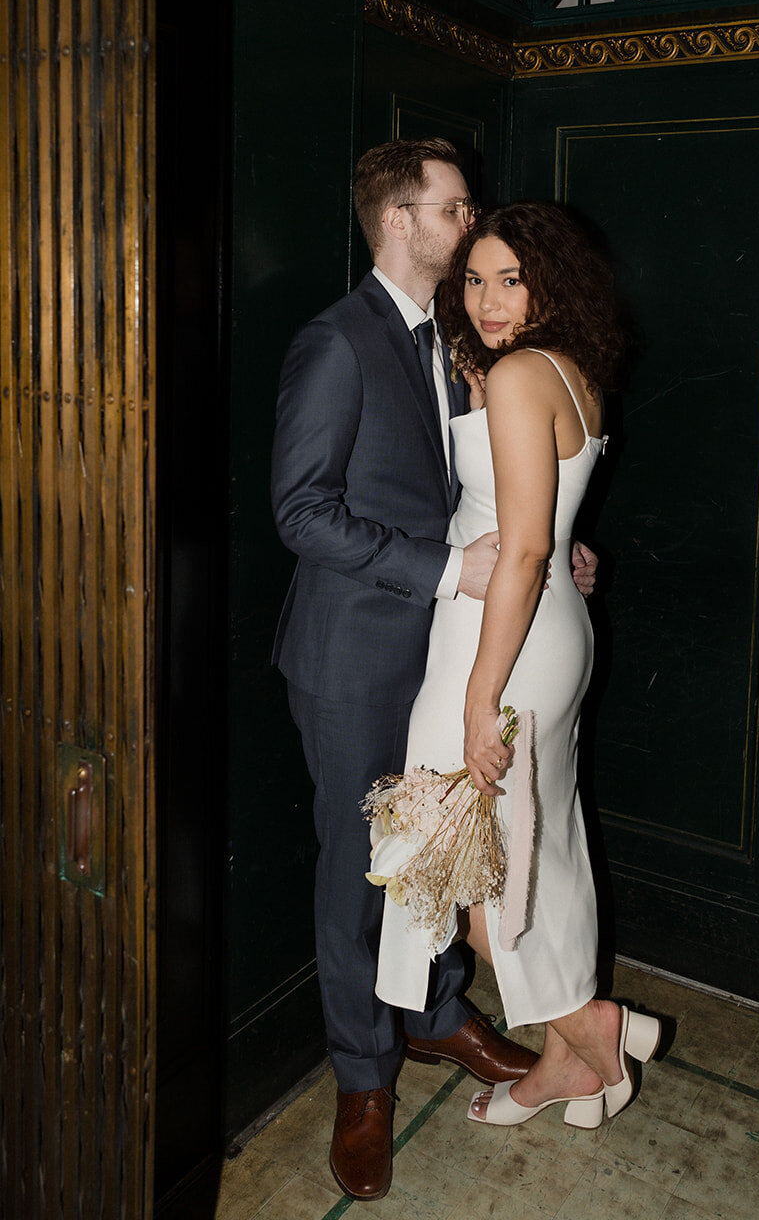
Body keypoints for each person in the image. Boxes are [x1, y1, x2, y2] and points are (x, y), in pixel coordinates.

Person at [270, 141, 597, 1200]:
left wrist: (551, 543)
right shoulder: (335, 341)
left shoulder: (466, 337)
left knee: (443, 849)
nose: (472, 223)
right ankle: (363, 1079)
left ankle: (438, 1012)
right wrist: (445, 569)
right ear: (399, 222)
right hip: (358, 652)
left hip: (458, 646)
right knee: (363, 863)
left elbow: (495, 486)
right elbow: (300, 512)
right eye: (455, 209)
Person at [375, 201, 661, 1132]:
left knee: (462, 868)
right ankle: (563, 1066)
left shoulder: (517, 377)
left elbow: (528, 548)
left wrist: (477, 702)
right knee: (535, 858)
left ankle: (591, 1025)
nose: (489, 299)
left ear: (550, 282)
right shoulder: (567, 373)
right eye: (474, 279)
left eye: (511, 279)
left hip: (500, 641)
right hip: (550, 631)